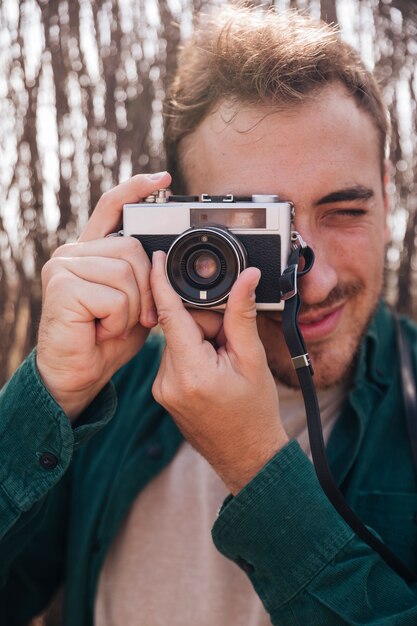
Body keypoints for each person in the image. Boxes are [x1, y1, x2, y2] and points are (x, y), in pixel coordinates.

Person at [2, 5, 417, 625]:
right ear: (185, 228)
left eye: (345, 212)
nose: (313, 278)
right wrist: (48, 401)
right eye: (255, 231)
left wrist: (254, 467)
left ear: (387, 193)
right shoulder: (113, 396)